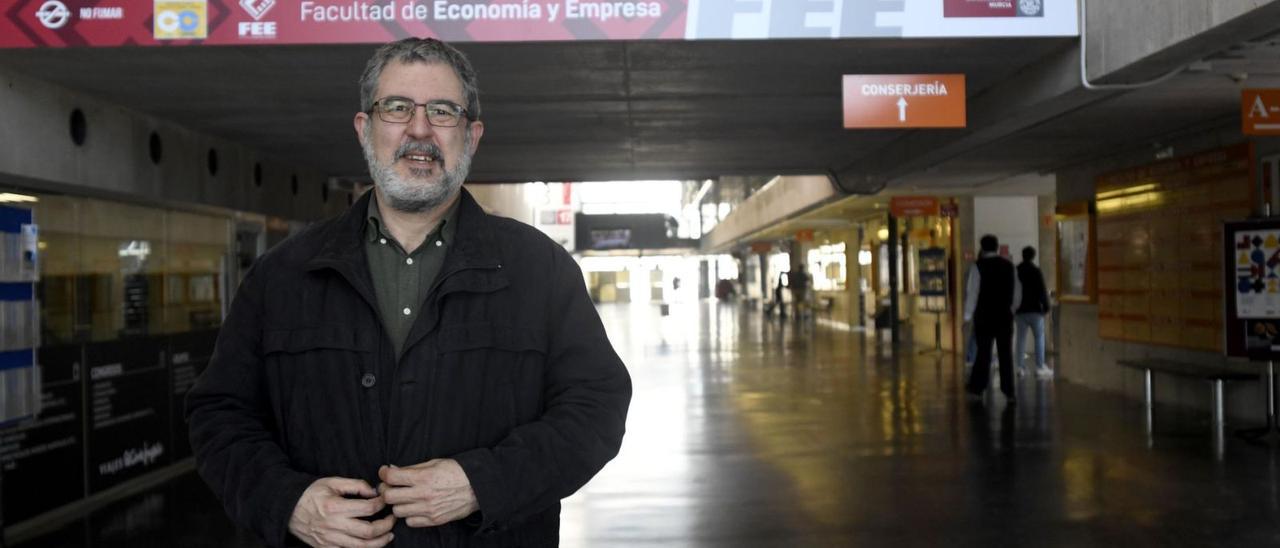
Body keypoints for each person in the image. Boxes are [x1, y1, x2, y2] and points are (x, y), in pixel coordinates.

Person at [185, 37, 632, 548]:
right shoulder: (282, 275)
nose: (419, 130)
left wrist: (482, 482)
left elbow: (597, 407)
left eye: (442, 112)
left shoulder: (540, 269)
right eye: (397, 108)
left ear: (472, 135)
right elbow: (219, 413)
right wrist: (287, 501)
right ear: (364, 128)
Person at [963, 235, 1021, 403]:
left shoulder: (977, 267)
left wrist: (967, 316)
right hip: (1004, 317)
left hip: (984, 317)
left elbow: (972, 293)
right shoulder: (1009, 266)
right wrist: (1012, 309)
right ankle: (1009, 391)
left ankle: (978, 388)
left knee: (983, 353)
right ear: (996, 247)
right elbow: (1017, 293)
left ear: (982, 248)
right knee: (1005, 353)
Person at [1015, 246, 1052, 378]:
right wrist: (1047, 307)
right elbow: (1042, 290)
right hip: (1035, 310)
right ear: (1033, 256)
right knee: (1039, 338)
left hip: (1019, 311)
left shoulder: (1016, 270)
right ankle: (1040, 366)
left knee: (1020, 339)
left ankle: (1020, 367)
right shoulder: (1036, 271)